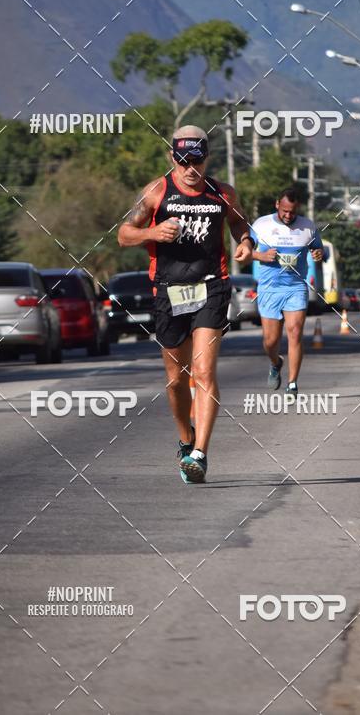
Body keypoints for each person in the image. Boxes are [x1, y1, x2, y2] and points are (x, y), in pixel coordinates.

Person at [117, 125, 253, 483]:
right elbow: (123, 234)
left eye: (197, 160)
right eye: (183, 160)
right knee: (177, 380)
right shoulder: (156, 191)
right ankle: (185, 438)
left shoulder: (222, 193)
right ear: (172, 158)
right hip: (167, 289)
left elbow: (239, 223)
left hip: (212, 287)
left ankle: (200, 454)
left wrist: (245, 241)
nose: (190, 168)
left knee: (204, 373)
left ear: (207, 158)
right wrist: (151, 233)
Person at [251, 188, 323, 395]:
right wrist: (259, 256)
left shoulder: (308, 227)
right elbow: (244, 252)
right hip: (269, 288)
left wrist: (318, 253)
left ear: (297, 208)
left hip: (296, 287)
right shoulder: (261, 225)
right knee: (270, 342)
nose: (288, 215)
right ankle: (276, 363)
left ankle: (292, 384)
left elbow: (318, 249)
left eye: (292, 212)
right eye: (284, 211)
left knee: (295, 332)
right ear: (277, 205)